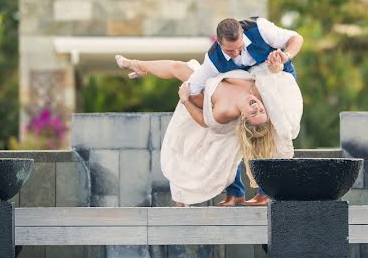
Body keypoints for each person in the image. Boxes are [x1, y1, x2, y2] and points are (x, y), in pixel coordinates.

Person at [123, 17, 303, 206]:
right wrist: (184, 98)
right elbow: (180, 72)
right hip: (244, 90)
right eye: (229, 51)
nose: (236, 54)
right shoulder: (213, 63)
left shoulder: (260, 28)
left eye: (239, 47)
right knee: (223, 142)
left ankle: (265, 192)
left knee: (273, 134)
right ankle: (235, 193)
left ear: (242, 34)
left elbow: (296, 39)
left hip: (279, 81)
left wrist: (284, 58)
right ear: (219, 42)